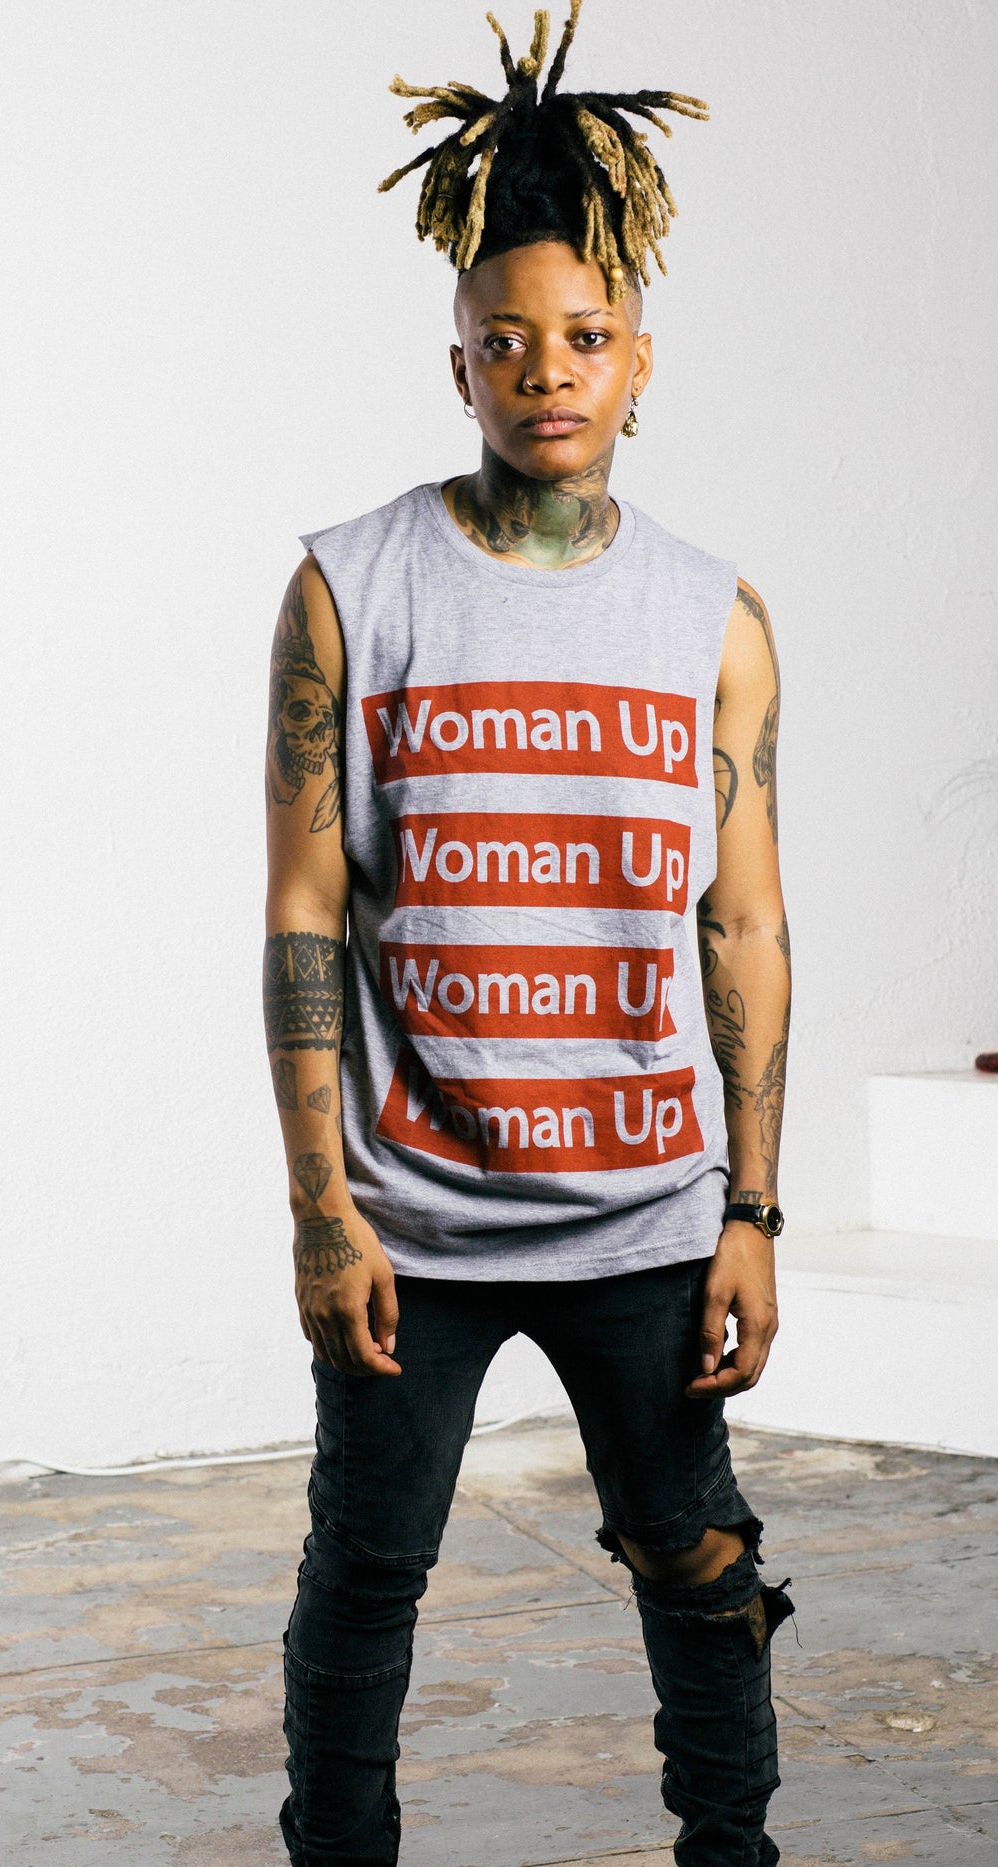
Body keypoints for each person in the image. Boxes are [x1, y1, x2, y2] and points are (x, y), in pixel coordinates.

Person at [262, 6, 795, 1864]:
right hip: (413, 1217)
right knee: (367, 1579)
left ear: (638, 358)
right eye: (506, 340)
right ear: (461, 360)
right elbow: (305, 910)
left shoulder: (714, 617)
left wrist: (753, 1208)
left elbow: (745, 922)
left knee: (699, 1566)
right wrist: (322, 1210)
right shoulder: (352, 588)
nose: (544, 370)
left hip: (648, 1213)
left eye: (582, 337)